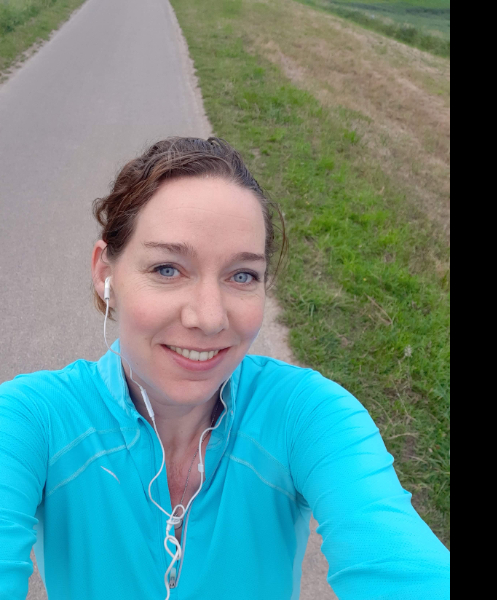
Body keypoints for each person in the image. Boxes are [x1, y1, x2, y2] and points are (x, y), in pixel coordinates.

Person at [0, 137, 450, 600]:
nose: (210, 317)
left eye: (242, 275)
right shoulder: (31, 422)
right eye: (167, 269)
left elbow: (400, 566)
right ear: (104, 272)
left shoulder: (306, 415)